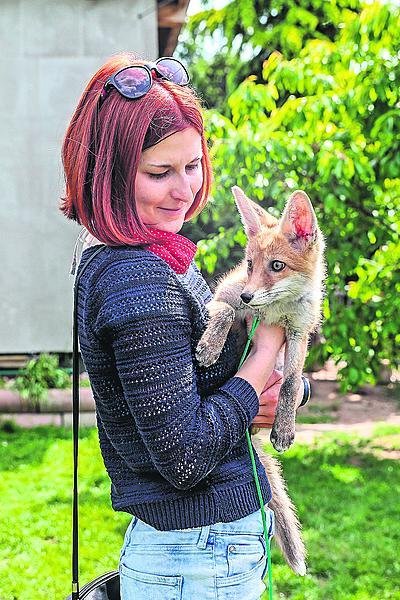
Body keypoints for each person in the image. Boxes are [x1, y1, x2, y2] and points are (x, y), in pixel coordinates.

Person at [61, 52, 307, 600]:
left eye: (192, 165)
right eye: (159, 172)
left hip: (200, 551)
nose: (184, 190)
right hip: (197, 557)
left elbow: (212, 382)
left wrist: (278, 390)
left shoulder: (158, 255)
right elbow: (184, 453)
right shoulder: (138, 281)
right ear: (111, 173)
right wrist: (265, 355)